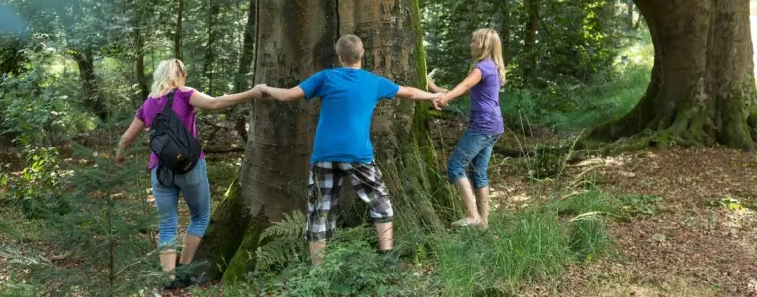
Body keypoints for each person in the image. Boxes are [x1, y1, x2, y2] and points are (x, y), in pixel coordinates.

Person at [257, 34, 443, 266]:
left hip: (324, 154)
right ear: (362, 53)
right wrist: (435, 95)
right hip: (358, 155)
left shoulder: (325, 78)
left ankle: (318, 268)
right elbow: (410, 92)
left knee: (320, 210)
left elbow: (286, 95)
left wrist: (264, 88)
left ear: (339, 56)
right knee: (379, 200)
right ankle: (387, 256)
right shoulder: (373, 82)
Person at [115, 59, 262, 289]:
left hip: (160, 170)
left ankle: (168, 279)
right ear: (180, 75)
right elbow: (215, 103)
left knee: (166, 226)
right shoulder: (184, 94)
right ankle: (183, 270)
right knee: (200, 217)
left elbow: (126, 138)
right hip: (190, 167)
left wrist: (120, 154)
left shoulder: (149, 103)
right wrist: (251, 93)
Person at [432, 28, 506, 229]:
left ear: (483, 45)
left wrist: (446, 97)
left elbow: (464, 86)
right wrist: (438, 90)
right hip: (494, 125)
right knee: (478, 172)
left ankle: (473, 216)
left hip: (482, 125)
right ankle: (484, 223)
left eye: (474, 41)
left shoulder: (481, 68)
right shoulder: (493, 67)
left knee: (455, 166)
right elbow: (467, 90)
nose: (470, 44)